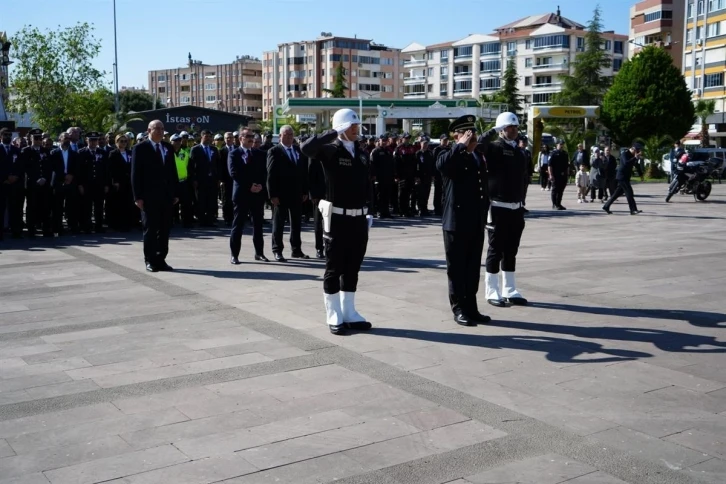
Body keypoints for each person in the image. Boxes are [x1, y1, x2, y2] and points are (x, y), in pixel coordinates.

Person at [300, 108, 373, 335]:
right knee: (334, 268)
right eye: (352, 126)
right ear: (342, 127)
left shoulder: (361, 153)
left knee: (353, 268)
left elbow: (366, 184)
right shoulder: (330, 150)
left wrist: (369, 210)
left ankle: (349, 312)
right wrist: (332, 132)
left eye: (356, 126)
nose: (356, 129)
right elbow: (306, 148)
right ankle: (333, 314)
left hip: (359, 219)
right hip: (337, 218)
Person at [437, 116, 491, 326]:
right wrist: (459, 146)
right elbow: (443, 166)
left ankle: (471, 307)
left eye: (472, 133)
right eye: (466, 134)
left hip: (475, 221)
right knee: (457, 268)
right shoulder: (447, 154)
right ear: (456, 135)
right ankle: (459, 308)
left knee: (472, 267)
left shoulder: (477, 157)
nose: (471, 137)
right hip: (455, 222)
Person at [477, 112, 529, 308]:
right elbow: (480, 145)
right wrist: (492, 130)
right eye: (509, 127)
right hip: (498, 207)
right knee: (495, 250)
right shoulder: (494, 148)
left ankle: (510, 289)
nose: (513, 130)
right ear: (501, 130)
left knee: (511, 250)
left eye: (515, 127)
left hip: (516, 208)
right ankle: (492, 291)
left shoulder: (518, 151)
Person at [131, 120, 179, 272]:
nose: (159, 131)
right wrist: (137, 196)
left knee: (164, 229)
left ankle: (161, 259)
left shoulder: (167, 147)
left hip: (166, 196)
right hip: (148, 196)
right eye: (156, 128)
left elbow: (172, 171)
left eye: (162, 129)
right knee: (150, 229)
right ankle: (150, 260)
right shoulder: (140, 148)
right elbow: (135, 174)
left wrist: (175, 193)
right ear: (148, 130)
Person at [267, 125, 309, 262]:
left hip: (296, 193)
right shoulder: (274, 151)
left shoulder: (298, 150)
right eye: (286, 134)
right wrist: (272, 194)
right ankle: (277, 250)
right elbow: (271, 174)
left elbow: (303, 172)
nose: (290, 137)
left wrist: (304, 190)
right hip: (281, 194)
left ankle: (296, 249)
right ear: (280, 136)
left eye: (291, 134)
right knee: (279, 223)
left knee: (296, 223)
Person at [228, 128, 268, 264]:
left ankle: (259, 253)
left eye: (252, 136)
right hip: (242, 194)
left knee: (258, 225)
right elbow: (234, 173)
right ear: (240, 138)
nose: (251, 139)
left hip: (257, 194)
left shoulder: (260, 154)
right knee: (238, 225)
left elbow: (264, 172)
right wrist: (249, 186)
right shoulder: (234, 154)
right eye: (248, 136)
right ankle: (234, 255)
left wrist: (261, 185)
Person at [22, 128, 56, 237]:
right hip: (32, 184)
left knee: (45, 206)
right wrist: (36, 179)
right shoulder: (26, 151)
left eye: (39, 138)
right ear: (31, 138)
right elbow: (25, 168)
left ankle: (46, 229)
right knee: (32, 207)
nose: (38, 140)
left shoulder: (45, 151)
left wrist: (45, 178)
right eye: (36, 138)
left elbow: (49, 168)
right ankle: (31, 230)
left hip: (44, 184)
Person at [78, 132, 110, 233]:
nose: (93, 142)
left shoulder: (103, 153)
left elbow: (106, 170)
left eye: (95, 140)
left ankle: (98, 226)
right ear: (87, 140)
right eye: (91, 140)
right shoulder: (81, 152)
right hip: (87, 184)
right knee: (86, 207)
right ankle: (86, 226)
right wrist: (80, 185)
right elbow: (79, 171)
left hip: (99, 184)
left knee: (99, 207)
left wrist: (106, 184)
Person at [50, 133, 81, 234]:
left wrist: (71, 175)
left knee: (72, 206)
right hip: (58, 183)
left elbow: (77, 167)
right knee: (57, 207)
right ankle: (57, 228)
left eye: (69, 138)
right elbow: (53, 167)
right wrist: (64, 176)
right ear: (60, 139)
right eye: (65, 138)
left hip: (71, 183)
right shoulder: (53, 153)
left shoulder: (74, 154)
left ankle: (72, 227)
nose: (67, 140)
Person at [189, 130, 220, 227]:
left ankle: (210, 220)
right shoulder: (195, 149)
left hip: (212, 180)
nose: (208, 138)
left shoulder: (214, 149)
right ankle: (202, 220)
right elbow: (191, 166)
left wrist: (218, 178)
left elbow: (218, 165)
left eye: (210, 136)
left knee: (211, 200)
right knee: (201, 201)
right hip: (200, 180)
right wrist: (193, 179)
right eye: (206, 136)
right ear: (201, 137)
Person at [603, 143, 644, 215]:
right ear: (634, 149)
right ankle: (633, 210)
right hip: (622, 177)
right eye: (637, 151)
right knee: (629, 193)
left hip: (626, 177)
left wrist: (641, 174)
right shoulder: (624, 154)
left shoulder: (633, 156)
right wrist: (635, 157)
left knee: (616, 194)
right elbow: (626, 163)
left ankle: (606, 206)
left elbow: (636, 165)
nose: (637, 152)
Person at [108, 134, 136, 232]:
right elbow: (111, 169)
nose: (123, 143)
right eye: (121, 141)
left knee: (128, 203)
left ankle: (128, 224)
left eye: (125, 141)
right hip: (119, 182)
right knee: (119, 203)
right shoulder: (113, 153)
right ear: (116, 142)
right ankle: (117, 225)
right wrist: (115, 181)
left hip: (129, 182)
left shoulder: (130, 152)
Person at [1, 129, 24, 238]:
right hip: (2, 183)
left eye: (9, 135)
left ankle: (16, 231)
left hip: (14, 184)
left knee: (14, 208)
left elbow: (20, 166)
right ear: (1, 136)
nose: (8, 137)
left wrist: (16, 176)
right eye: (6, 135)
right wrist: (5, 178)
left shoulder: (16, 150)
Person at [370, 135, 394, 219]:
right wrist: (374, 176)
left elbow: (392, 164)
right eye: (382, 140)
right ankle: (379, 212)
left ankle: (386, 212)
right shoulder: (375, 151)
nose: (384, 142)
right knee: (379, 196)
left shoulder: (388, 151)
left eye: (385, 140)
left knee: (387, 195)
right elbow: (372, 164)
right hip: (379, 178)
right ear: (379, 141)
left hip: (388, 177)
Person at [415, 136, 435, 216]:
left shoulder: (430, 153)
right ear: (421, 144)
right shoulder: (418, 153)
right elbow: (415, 166)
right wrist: (416, 177)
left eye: (426, 143)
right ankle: (420, 209)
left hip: (428, 176)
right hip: (420, 177)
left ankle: (425, 208)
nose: (425, 145)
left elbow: (433, 165)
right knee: (420, 193)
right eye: (424, 143)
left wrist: (433, 175)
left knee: (427, 193)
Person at [548, 141, 569, 210]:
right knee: (555, 190)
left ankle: (559, 204)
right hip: (555, 174)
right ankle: (554, 204)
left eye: (562, 144)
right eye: (560, 144)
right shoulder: (553, 153)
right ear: (557, 145)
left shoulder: (565, 154)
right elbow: (550, 165)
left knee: (561, 190)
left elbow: (566, 165)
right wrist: (551, 175)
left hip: (563, 175)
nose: (561, 146)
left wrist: (567, 174)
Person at [432, 134, 449, 215]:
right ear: (440, 140)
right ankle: (437, 208)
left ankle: (443, 208)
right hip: (438, 174)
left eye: (446, 140)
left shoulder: (449, 149)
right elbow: (434, 163)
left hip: (445, 174)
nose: (445, 142)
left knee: (445, 192)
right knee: (438, 192)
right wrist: (434, 174)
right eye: (444, 140)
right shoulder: (436, 149)